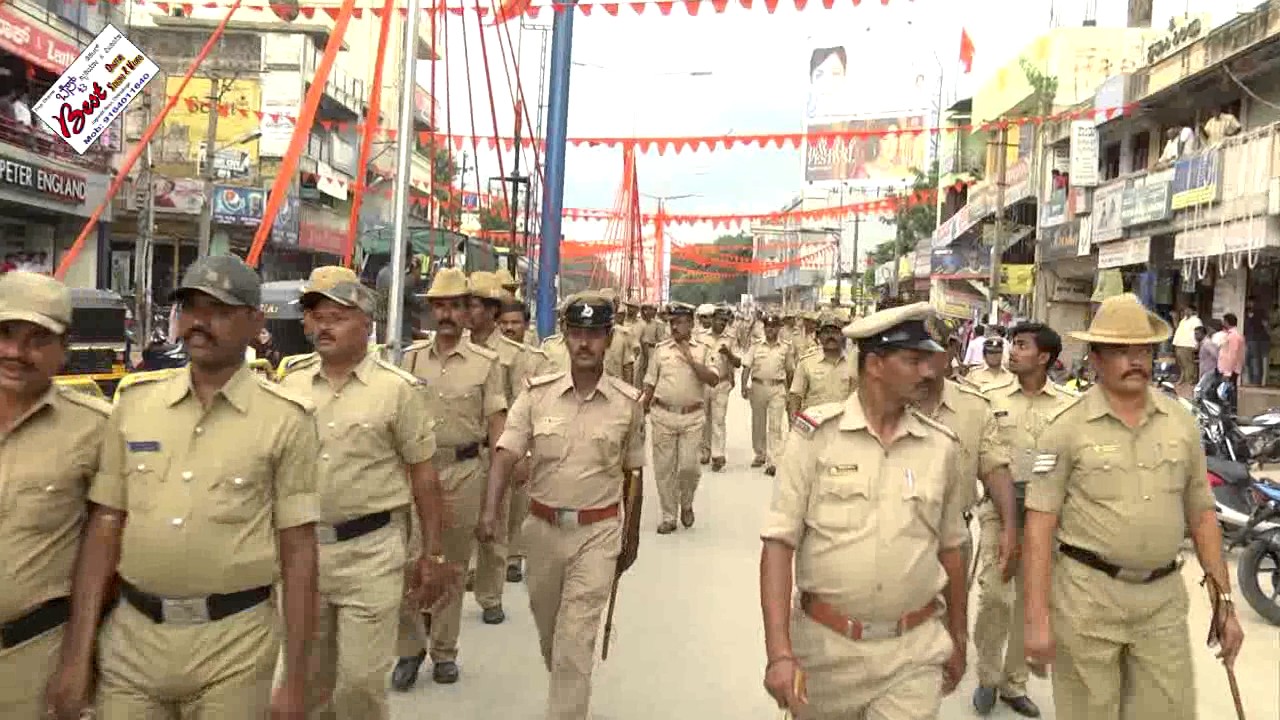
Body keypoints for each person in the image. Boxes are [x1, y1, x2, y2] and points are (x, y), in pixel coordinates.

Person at [48, 255, 321, 720]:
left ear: (256, 321)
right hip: (133, 644)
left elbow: (298, 551)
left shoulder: (286, 421)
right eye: (190, 308)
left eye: (218, 309)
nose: (199, 322)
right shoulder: (135, 403)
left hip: (234, 647)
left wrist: (296, 680)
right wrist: (77, 655)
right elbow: (105, 527)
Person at [1023, 293, 1244, 720]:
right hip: (1087, 600)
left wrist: (1225, 604)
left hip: (1161, 602)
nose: (1135, 360)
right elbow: (1039, 525)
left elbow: (1201, 515)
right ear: (1095, 358)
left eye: (1142, 349)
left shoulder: (1182, 423)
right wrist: (1036, 620)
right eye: (1120, 351)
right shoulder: (1065, 428)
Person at [760, 303, 969, 719]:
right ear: (875, 364)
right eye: (913, 360)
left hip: (913, 652)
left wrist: (959, 638)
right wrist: (779, 653)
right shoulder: (815, 438)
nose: (929, 372)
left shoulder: (941, 447)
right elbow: (779, 545)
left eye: (929, 360)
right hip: (824, 654)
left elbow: (953, 550)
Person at [276, 266, 453, 719]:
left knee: (359, 686)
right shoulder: (288, 385)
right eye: (315, 316)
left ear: (366, 323)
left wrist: (432, 555)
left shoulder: (396, 391)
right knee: (307, 685)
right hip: (301, 556)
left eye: (335, 315)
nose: (322, 326)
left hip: (371, 554)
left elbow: (424, 477)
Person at [476, 291, 645, 720]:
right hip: (542, 530)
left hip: (598, 532)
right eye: (577, 333)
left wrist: (631, 539)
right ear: (565, 338)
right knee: (551, 631)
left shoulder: (627, 405)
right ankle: (569, 688)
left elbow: (634, 475)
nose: (585, 343)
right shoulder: (536, 395)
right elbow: (506, 453)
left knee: (575, 638)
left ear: (609, 339)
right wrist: (490, 512)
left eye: (595, 334)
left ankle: (567, 707)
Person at [0, 273, 111, 719]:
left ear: (63, 349)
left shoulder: (96, 429)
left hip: (33, 655)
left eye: (36, 339)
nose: (14, 352)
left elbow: (102, 560)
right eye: (4, 334)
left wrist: (77, 661)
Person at [392, 267, 506, 688]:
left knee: (452, 566)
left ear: (467, 312)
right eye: (439, 305)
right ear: (431, 310)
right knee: (408, 560)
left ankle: (443, 651)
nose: (447, 314)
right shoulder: (410, 359)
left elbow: (497, 428)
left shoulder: (486, 364)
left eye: (456, 305)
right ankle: (408, 650)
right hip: (415, 472)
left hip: (463, 471)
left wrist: (494, 496)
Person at [970, 322, 1074, 718]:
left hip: (1046, 515)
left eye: (1021, 345)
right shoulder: (988, 397)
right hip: (1000, 510)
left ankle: (1013, 683)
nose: (1012, 351)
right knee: (996, 595)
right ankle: (987, 676)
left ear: (1044, 357)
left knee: (1029, 600)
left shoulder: (1067, 404)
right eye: (1012, 344)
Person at [465, 271, 551, 623]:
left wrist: (523, 455)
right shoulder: (458, 349)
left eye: (471, 305)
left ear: (489, 310)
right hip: (461, 452)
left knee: (495, 526)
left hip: (497, 450)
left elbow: (524, 405)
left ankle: (489, 594)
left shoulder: (515, 356)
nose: (465, 312)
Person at [916, 325, 1018, 588]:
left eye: (932, 349)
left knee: (952, 624)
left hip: (953, 537)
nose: (923, 358)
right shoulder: (888, 404)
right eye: (915, 350)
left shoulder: (974, 407)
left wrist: (1009, 528)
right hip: (890, 537)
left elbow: (995, 469)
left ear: (950, 352)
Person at [642, 302, 720, 534]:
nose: (675, 327)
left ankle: (686, 502)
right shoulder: (661, 350)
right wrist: (641, 411)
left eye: (680, 322)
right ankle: (669, 515)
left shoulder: (703, 349)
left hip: (692, 417)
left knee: (689, 468)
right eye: (672, 322)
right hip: (663, 415)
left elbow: (713, 379)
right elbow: (650, 382)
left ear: (691, 324)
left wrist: (689, 356)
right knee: (664, 469)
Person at [742, 314, 795, 475]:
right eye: (768, 327)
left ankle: (774, 460)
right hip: (758, 387)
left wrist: (791, 392)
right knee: (758, 423)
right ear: (765, 329)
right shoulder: (756, 346)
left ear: (779, 329)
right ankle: (760, 454)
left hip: (777, 388)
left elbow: (789, 371)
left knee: (775, 425)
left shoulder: (785, 348)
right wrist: (744, 386)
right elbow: (746, 366)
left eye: (773, 327)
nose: (770, 330)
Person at [787, 310, 856, 415]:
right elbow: (796, 395)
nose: (830, 337)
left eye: (835, 332)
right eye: (826, 332)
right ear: (819, 336)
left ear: (843, 335)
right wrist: (794, 421)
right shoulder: (807, 362)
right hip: (813, 424)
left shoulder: (853, 363)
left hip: (842, 423)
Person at [701, 306, 741, 471]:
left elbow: (738, 362)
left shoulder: (730, 339)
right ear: (713, 319)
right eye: (719, 320)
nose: (722, 323)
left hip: (721, 383)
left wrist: (729, 354)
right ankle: (704, 451)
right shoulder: (701, 338)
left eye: (725, 321)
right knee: (704, 418)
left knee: (718, 419)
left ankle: (718, 454)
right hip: (704, 383)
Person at [1217, 312, 1245, 408]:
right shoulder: (1230, 335)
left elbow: (1232, 355)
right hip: (1228, 369)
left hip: (1230, 370)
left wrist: (1227, 372)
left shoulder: (1234, 336)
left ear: (1227, 322)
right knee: (1226, 391)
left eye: (1224, 321)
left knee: (1228, 392)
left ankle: (1231, 410)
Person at [1171, 306, 1202, 386]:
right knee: (1181, 364)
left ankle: (1190, 380)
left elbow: (1199, 332)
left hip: (1188, 344)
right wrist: (1174, 319)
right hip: (1179, 343)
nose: (1186, 311)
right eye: (1185, 310)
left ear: (1193, 311)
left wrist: (1198, 344)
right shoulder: (1183, 320)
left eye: (1188, 310)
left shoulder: (1196, 320)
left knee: (1188, 364)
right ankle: (1183, 379)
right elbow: (1178, 329)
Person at [1244, 298, 1270, 386]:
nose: (1249, 304)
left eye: (1250, 302)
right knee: (1250, 360)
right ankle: (1254, 380)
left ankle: (1256, 381)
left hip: (1256, 339)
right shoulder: (1247, 313)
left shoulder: (1259, 313)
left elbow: (1265, 325)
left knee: (1255, 360)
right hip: (1251, 339)